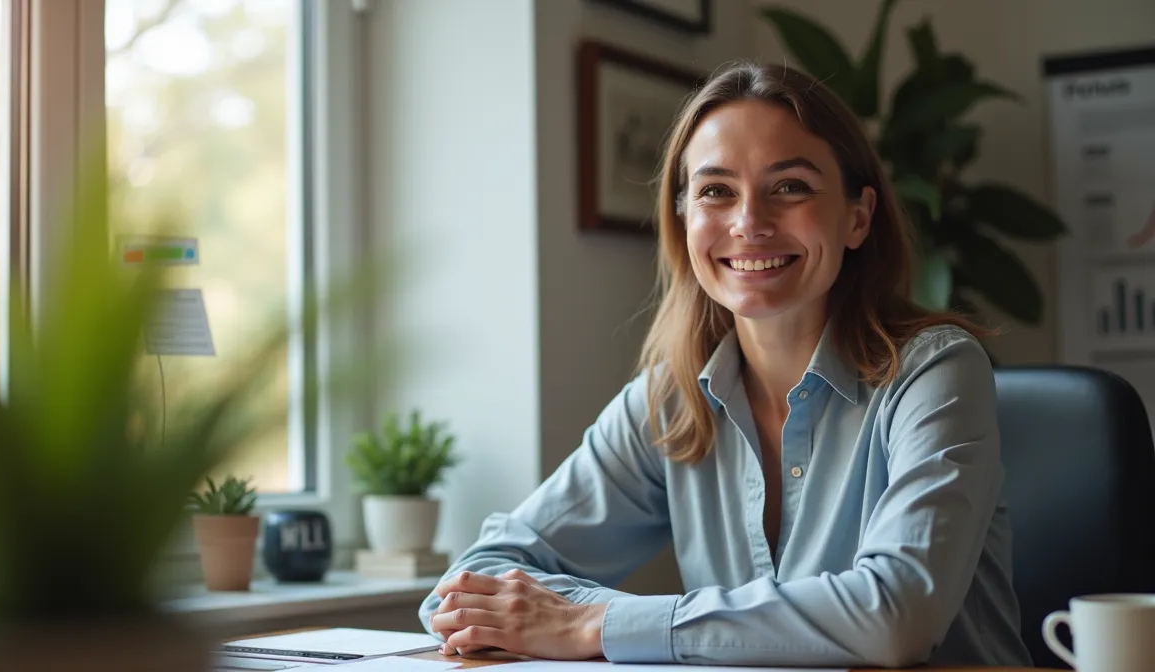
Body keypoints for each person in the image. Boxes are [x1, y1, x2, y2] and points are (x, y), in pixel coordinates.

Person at [418, 61, 1034, 669]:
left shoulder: (936, 373)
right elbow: (471, 582)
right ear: (685, 219)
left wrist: (591, 621)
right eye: (716, 191)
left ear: (857, 216)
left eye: (789, 186)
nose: (749, 223)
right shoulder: (669, 399)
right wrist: (559, 617)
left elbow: (896, 618)